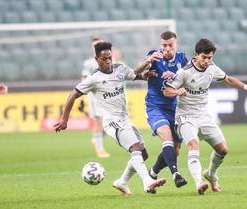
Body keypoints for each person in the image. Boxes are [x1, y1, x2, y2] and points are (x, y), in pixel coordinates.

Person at [54, 41, 166, 195]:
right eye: (104, 59)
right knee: (136, 149)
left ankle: (122, 182)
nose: (107, 61)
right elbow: (73, 95)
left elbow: (134, 74)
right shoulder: (94, 79)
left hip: (125, 118)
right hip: (112, 122)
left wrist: (145, 76)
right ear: (96, 59)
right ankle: (148, 182)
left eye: (109, 57)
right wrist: (64, 120)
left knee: (143, 154)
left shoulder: (120, 68)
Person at [163, 38, 247, 194]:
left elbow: (227, 79)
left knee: (223, 150)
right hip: (185, 116)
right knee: (193, 144)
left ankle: (210, 174)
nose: (207, 61)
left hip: (204, 115)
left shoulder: (212, 68)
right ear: (196, 55)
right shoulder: (185, 72)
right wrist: (177, 91)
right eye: (204, 57)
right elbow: (166, 90)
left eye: (210, 58)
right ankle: (198, 183)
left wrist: (246, 87)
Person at [135, 31, 188, 188]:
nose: (166, 48)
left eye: (170, 45)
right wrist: (148, 62)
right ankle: (176, 174)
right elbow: (136, 71)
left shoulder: (182, 58)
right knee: (167, 137)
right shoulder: (154, 56)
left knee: (176, 150)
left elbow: (187, 80)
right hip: (155, 106)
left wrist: (177, 76)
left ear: (176, 44)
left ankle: (152, 172)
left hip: (174, 107)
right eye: (164, 45)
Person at [78, 37, 110, 158]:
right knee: (98, 121)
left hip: (106, 94)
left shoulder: (108, 60)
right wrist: (81, 98)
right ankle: (100, 149)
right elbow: (84, 79)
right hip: (94, 95)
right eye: (95, 45)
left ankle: (96, 139)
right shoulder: (89, 63)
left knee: (106, 122)